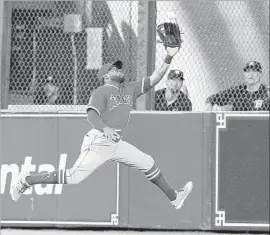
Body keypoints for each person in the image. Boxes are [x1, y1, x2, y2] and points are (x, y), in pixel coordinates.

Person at [11, 46, 193, 210]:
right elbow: (91, 114)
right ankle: (26, 180)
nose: (119, 70)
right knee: (74, 177)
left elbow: (155, 78)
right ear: (106, 76)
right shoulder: (101, 91)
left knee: (147, 162)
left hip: (116, 143)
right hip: (99, 141)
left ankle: (174, 198)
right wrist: (104, 128)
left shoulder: (130, 89)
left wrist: (168, 56)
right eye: (114, 69)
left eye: (119, 68)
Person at [205, 61, 270, 111]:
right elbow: (213, 98)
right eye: (247, 71)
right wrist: (209, 104)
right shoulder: (237, 90)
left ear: (260, 74)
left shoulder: (266, 91)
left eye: (254, 71)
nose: (250, 74)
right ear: (244, 75)